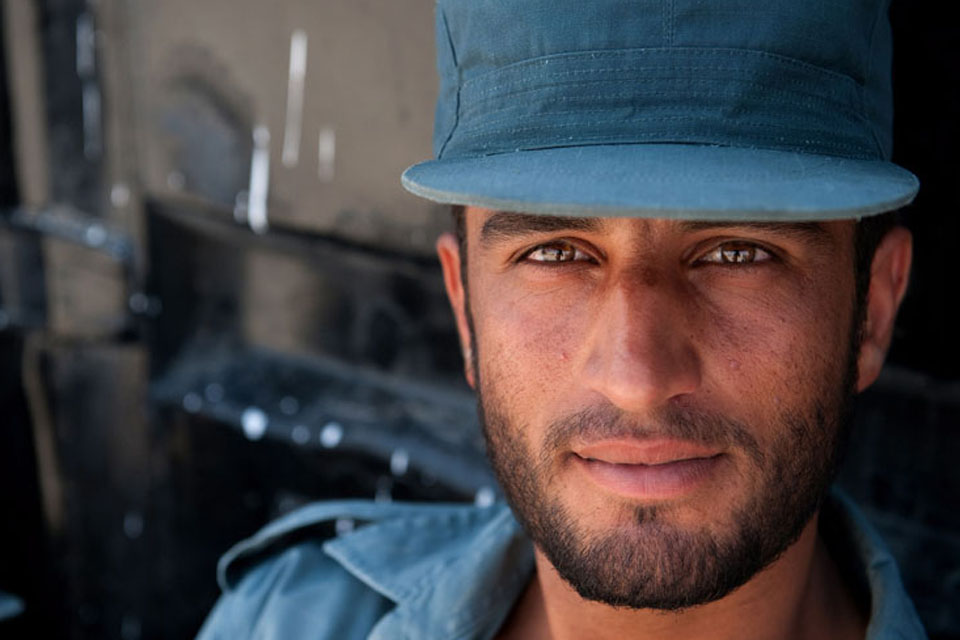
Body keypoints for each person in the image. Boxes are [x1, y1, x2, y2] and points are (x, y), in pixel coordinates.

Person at [197, 0, 929, 638]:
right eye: (555, 252)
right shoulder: (286, 619)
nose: (636, 378)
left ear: (873, 307)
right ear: (464, 308)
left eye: (738, 253)